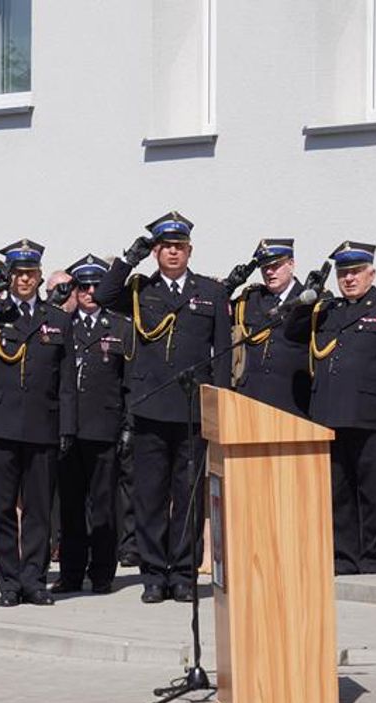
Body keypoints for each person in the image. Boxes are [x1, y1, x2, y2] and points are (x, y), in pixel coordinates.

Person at [94, 212, 231, 603]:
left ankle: (184, 574)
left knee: (188, 495)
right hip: (151, 406)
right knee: (150, 495)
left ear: (189, 250)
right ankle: (154, 573)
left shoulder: (211, 292)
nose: (173, 252)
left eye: (179, 247)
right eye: (166, 247)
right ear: (156, 252)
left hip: (190, 409)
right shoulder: (140, 289)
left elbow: (221, 354)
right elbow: (104, 296)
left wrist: (217, 403)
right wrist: (126, 261)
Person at [0, 240, 75, 607]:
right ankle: (8, 583)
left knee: (39, 509)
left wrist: (67, 426)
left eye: (30, 274)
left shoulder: (57, 319)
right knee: (1, 507)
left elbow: (66, 380)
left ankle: (34, 580)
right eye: (18, 274)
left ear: (39, 277)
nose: (24, 280)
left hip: (42, 424)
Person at [290, 241, 376, 574]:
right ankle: (344, 560)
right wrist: (307, 297)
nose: (349, 279)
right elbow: (292, 333)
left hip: (371, 419)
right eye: (344, 273)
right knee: (339, 493)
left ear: (371, 274)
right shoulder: (328, 308)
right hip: (330, 417)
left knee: (373, 497)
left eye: (356, 272)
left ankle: (375, 564)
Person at [53, 255, 132, 595]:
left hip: (104, 425)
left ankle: (102, 573)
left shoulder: (119, 326)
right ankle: (71, 573)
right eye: (81, 286)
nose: (88, 292)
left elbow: (129, 383)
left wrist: (128, 426)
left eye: (94, 285)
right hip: (68, 429)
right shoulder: (60, 324)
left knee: (103, 505)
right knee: (70, 504)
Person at [227, 239, 312, 417]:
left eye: (276, 265)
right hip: (251, 399)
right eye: (265, 267)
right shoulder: (250, 299)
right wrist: (228, 287)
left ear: (291, 264)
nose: (270, 272)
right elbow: (218, 313)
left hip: (292, 402)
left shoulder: (309, 300)